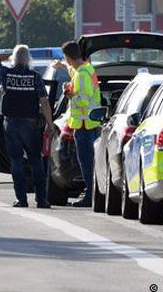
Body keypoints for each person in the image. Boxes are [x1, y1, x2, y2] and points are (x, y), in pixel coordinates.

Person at [0, 45, 55, 209]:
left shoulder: (6, 74)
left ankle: (21, 199)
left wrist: (10, 54)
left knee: (16, 161)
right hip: (31, 124)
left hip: (10, 123)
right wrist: (49, 123)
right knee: (36, 161)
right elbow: (44, 102)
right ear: (28, 59)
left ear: (14, 58)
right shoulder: (35, 77)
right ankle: (41, 200)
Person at [53, 41, 101, 207]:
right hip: (90, 124)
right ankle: (92, 194)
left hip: (83, 125)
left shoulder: (82, 74)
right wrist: (62, 66)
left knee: (86, 163)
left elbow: (84, 99)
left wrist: (69, 94)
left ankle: (89, 196)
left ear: (68, 56)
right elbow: (74, 71)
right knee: (90, 163)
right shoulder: (87, 69)